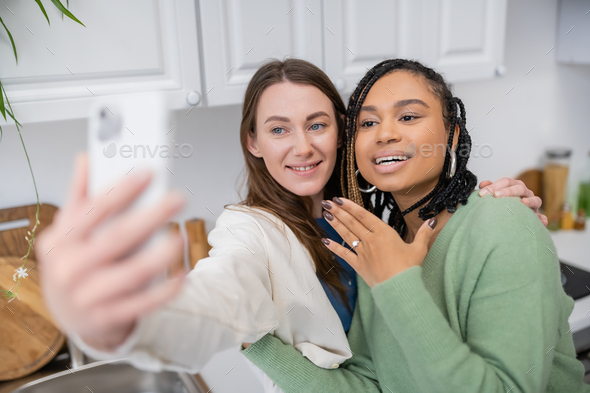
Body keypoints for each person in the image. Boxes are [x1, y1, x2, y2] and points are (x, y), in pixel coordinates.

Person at [37, 59, 545, 393]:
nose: (301, 147)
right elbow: (216, 295)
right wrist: (120, 324)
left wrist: (495, 214)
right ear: (253, 141)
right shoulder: (251, 232)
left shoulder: (370, 220)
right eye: (279, 129)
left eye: (317, 124)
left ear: (341, 131)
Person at [241, 59, 589, 392]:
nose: (385, 134)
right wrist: (254, 340)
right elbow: (370, 383)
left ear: (451, 135)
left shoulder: (504, 226)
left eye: (408, 116)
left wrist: (397, 284)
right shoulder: (378, 244)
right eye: (368, 123)